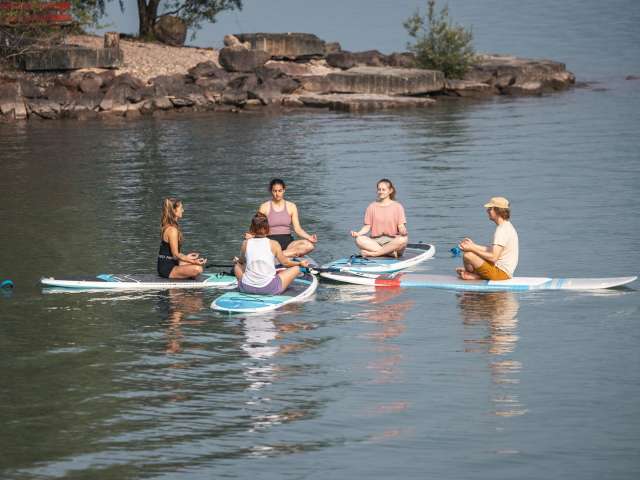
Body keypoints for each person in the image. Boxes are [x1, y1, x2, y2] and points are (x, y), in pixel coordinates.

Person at [235, 212, 309, 295]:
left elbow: (241, 261)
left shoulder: (245, 243)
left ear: (251, 229)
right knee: (296, 269)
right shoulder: (274, 244)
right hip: (268, 288)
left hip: (247, 288)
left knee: (237, 265)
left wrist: (237, 261)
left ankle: (245, 285)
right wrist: (300, 263)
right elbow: (285, 263)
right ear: (268, 229)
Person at [456, 196, 519, 281]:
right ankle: (474, 274)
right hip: (502, 271)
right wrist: (473, 246)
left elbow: (493, 257)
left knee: (468, 255)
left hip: (501, 273)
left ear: (497, 211)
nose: (487, 211)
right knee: (470, 253)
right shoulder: (507, 226)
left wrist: (472, 249)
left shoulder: (501, 230)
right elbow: (493, 250)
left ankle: (475, 276)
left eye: (490, 209)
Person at [254, 178, 317, 258]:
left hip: (288, 243)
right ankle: (285, 254)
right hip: (271, 242)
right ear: (271, 191)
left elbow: (297, 229)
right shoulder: (264, 207)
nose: (277, 194)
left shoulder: (291, 206)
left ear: (284, 190)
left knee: (309, 246)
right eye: (274, 191)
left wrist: (309, 237)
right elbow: (258, 228)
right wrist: (251, 235)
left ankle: (278, 255)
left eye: (280, 191)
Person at [350, 178, 408, 257]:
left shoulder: (398, 206)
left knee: (403, 239)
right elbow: (367, 226)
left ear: (390, 191)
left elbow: (401, 226)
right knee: (359, 239)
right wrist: (358, 233)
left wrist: (403, 231)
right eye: (379, 189)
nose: (380, 192)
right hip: (375, 242)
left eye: (383, 190)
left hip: (393, 242)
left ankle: (374, 254)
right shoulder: (371, 207)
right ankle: (389, 253)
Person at [157, 198, 207, 279]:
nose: (183, 210)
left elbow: (172, 255)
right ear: (174, 210)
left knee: (195, 265)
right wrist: (193, 261)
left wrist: (188, 257)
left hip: (170, 263)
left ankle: (186, 274)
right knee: (198, 269)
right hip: (167, 269)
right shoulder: (172, 230)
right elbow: (175, 255)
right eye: (181, 208)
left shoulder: (170, 227)